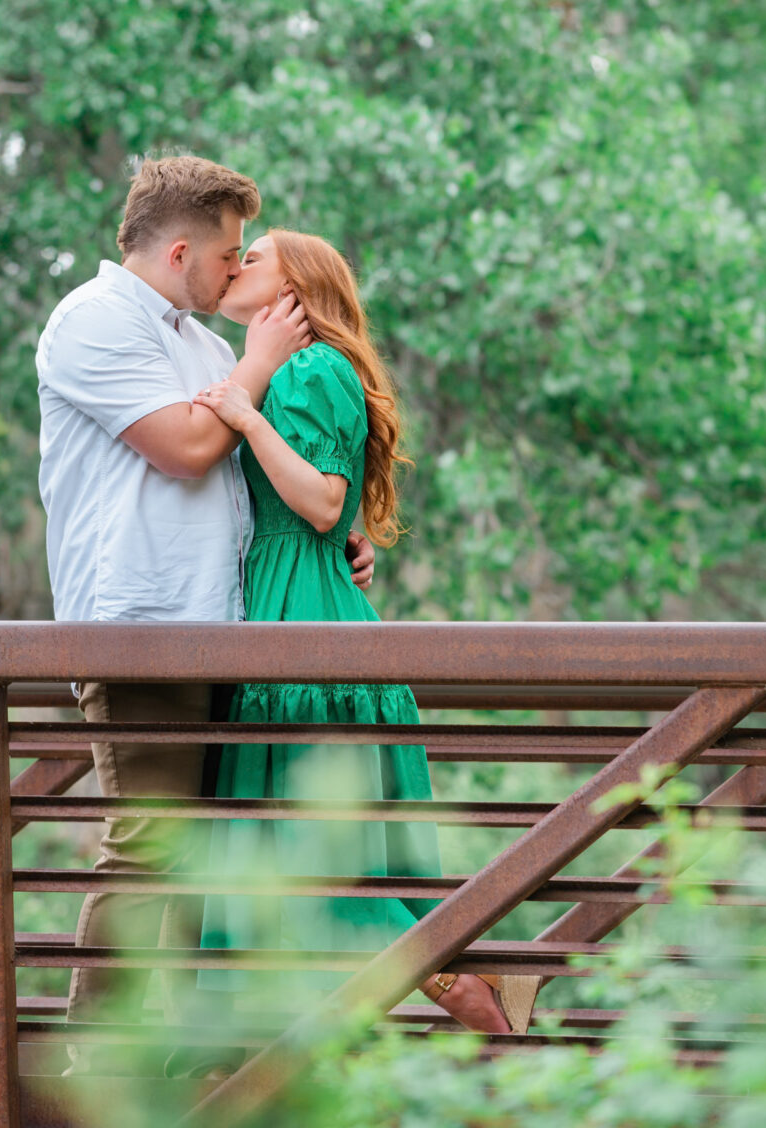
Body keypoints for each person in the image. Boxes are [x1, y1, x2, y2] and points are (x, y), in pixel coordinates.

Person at [34, 158, 377, 1036]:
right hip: (137, 628)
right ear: (182, 249)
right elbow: (187, 449)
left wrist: (333, 542)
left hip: (226, 628)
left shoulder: (203, 343)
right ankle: (98, 1062)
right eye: (229, 255)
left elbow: (242, 482)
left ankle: (186, 1054)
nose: (236, 272)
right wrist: (260, 364)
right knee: (150, 848)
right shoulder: (92, 321)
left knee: (214, 860)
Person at [194, 230, 540, 1036]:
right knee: (317, 852)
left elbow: (320, 501)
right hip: (295, 606)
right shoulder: (286, 370)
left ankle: (466, 995)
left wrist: (245, 417)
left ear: (298, 289)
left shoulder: (311, 367)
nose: (237, 262)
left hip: (307, 629)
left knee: (313, 857)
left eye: (256, 255)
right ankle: (460, 984)